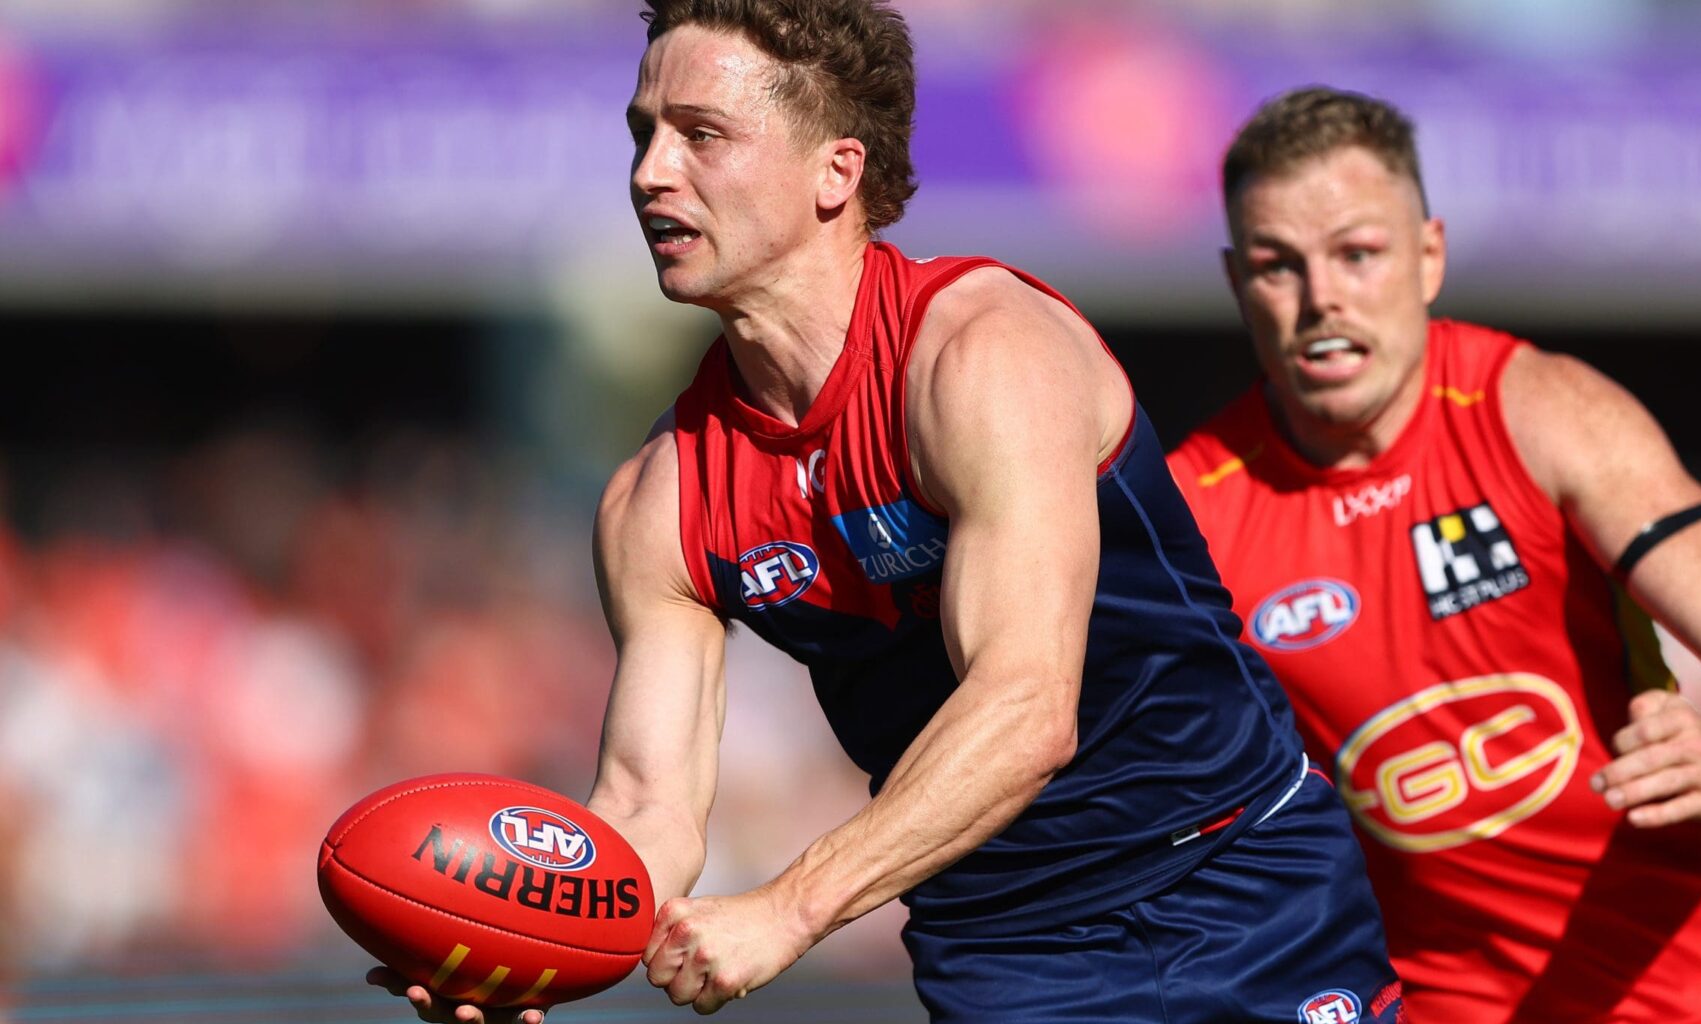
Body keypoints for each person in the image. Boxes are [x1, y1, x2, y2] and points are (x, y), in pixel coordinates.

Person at [374, 5, 1401, 1022]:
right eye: (643, 132)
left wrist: (788, 907)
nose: (649, 172)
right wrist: (528, 945)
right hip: (1004, 948)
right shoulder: (659, 497)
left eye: (702, 133)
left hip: (1238, 886)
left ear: (837, 172)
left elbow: (1026, 708)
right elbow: (647, 805)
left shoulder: (981, 357)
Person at [1165, 86, 1701, 1023]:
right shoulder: (1191, 513)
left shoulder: (1539, 412)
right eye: (1278, 265)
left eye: (1358, 254)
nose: (1321, 297)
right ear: (1235, 279)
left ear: (1428, 257)